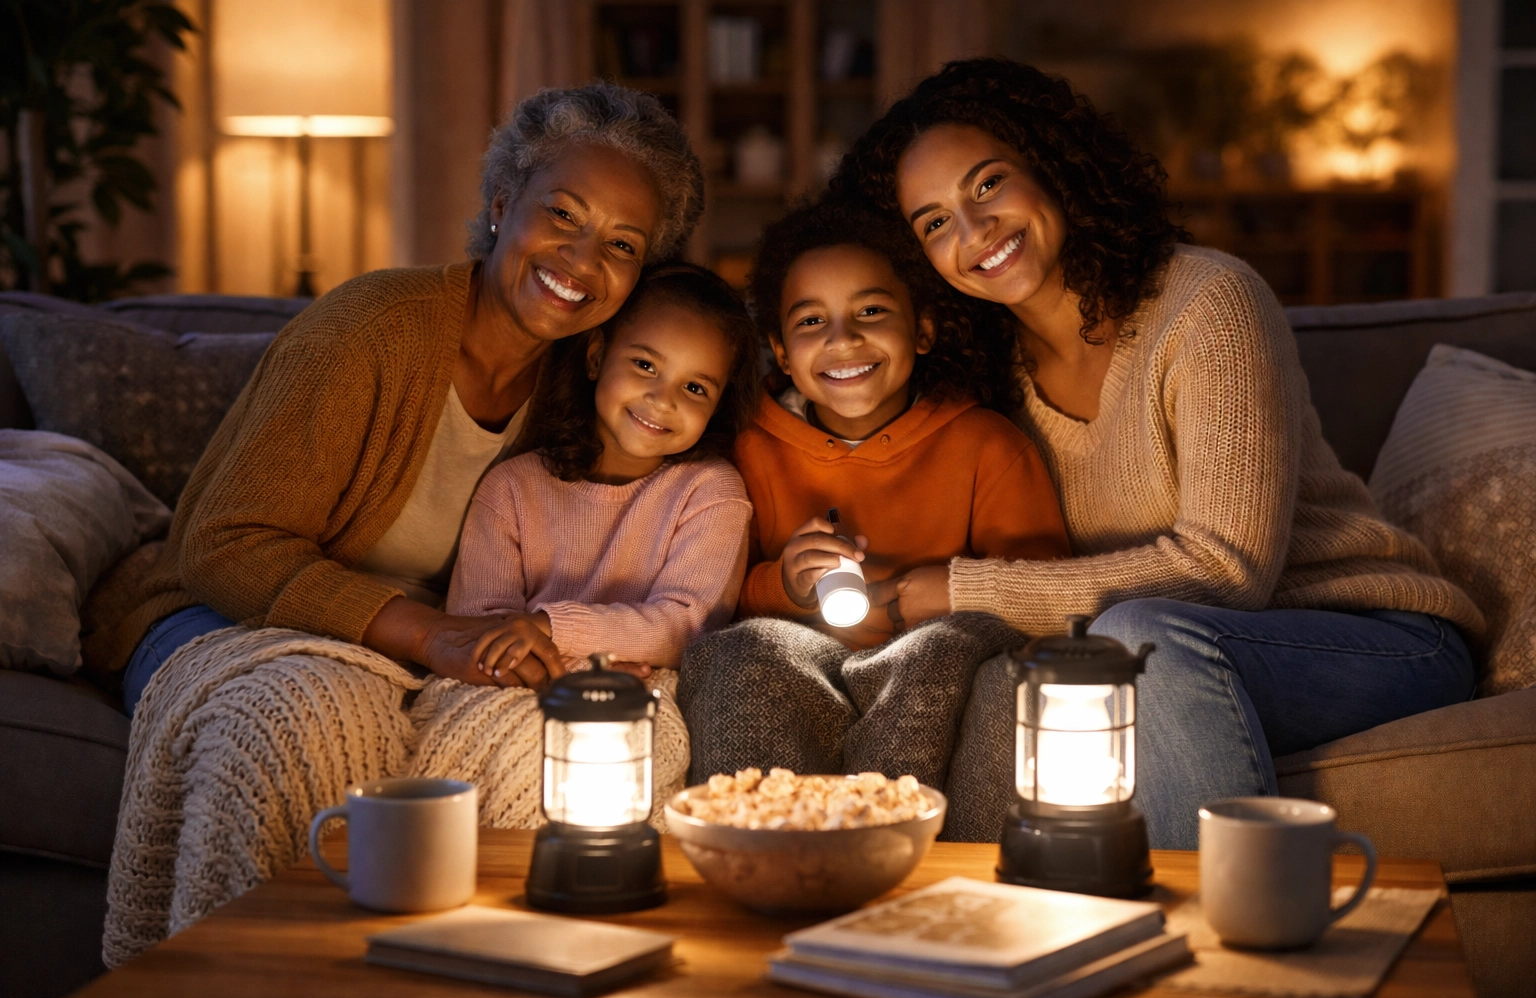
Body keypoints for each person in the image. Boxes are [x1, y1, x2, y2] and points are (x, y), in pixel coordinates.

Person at [829, 58, 1482, 846]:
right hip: (1164, 651)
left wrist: (959, 588)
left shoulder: (1207, 303)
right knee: (1042, 676)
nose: (973, 234)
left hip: (1371, 641)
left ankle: (1220, 943)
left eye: (987, 185)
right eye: (933, 223)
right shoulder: (985, 379)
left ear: (1051, 164)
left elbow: (1226, 574)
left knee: (1142, 640)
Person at [105, 82, 705, 715]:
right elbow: (225, 547)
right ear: (502, 202)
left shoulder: (600, 380)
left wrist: (583, 647)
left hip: (436, 652)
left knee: (603, 728)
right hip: (226, 621)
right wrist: (431, 634)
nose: (583, 260)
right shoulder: (368, 329)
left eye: (621, 245)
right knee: (301, 716)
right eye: (562, 214)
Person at [678, 197, 1071, 794]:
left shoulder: (986, 444)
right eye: (811, 321)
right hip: (806, 662)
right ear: (781, 352)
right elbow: (713, 594)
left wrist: (941, 598)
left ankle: (903, 846)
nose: (844, 339)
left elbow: (1040, 594)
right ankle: (769, 849)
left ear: (923, 331)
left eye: (871, 310)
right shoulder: (747, 448)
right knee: (746, 652)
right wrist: (782, 582)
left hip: (936, 667)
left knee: (955, 653)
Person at [446, 263, 759, 678]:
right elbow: (484, 632)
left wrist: (550, 629)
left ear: (717, 406)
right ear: (596, 357)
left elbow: (687, 628)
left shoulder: (710, 492)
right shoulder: (510, 488)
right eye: (645, 365)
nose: (663, 400)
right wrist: (586, 664)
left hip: (646, 691)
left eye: (695, 388)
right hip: (510, 686)